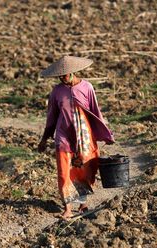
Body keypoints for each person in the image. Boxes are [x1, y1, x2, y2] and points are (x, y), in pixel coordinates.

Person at [38, 56, 115, 219]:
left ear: (73, 73)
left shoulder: (87, 87)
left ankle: (82, 204)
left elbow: (95, 112)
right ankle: (67, 208)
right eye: (59, 76)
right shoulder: (57, 92)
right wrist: (44, 139)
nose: (62, 79)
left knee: (85, 170)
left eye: (64, 75)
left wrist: (105, 134)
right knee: (64, 172)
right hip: (63, 136)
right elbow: (51, 117)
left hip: (84, 137)